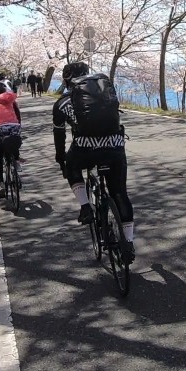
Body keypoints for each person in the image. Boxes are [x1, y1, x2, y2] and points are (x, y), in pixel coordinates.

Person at [53, 61, 134, 264]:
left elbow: (59, 134)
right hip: (115, 147)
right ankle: (129, 243)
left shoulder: (63, 102)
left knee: (72, 165)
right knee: (120, 194)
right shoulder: (104, 93)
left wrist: (61, 158)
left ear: (66, 79)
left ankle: (85, 207)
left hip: (84, 150)